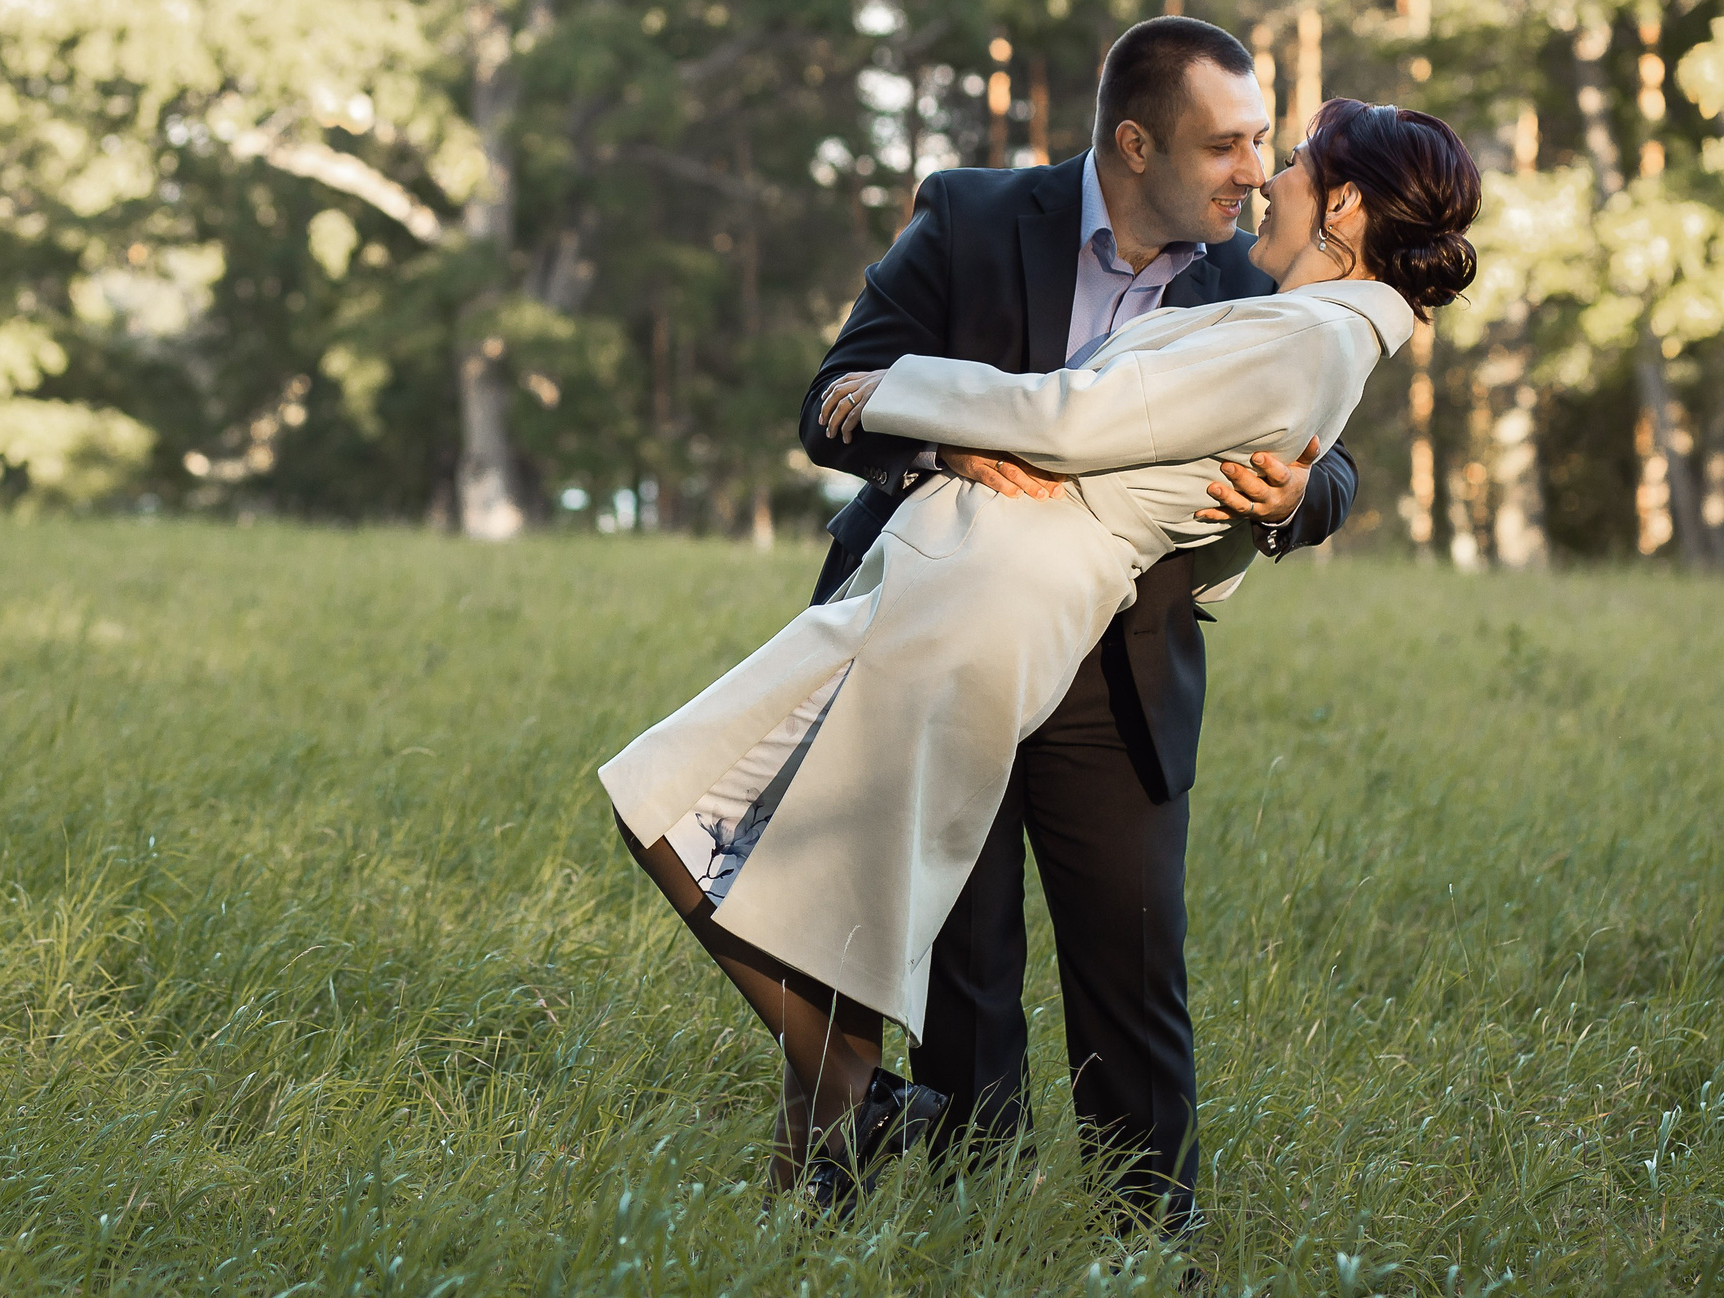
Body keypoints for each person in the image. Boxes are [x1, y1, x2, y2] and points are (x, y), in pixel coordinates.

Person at [600, 84, 1482, 1218]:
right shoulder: (975, 217)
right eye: (1230, 143)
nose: (1258, 171)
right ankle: (879, 1148)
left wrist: (1294, 492)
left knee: (1118, 972)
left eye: (1283, 151)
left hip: (1065, 637)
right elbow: (831, 391)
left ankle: (1133, 1232)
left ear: (1347, 203)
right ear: (1137, 139)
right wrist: (899, 419)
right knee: (826, 876)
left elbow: (1114, 426)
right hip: (954, 585)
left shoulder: (1288, 314)